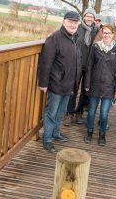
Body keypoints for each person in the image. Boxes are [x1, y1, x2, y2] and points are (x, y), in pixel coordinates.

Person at [38, 11, 81, 152]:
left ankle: (56, 133)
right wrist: (43, 83)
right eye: (70, 21)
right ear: (64, 22)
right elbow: (45, 63)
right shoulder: (54, 38)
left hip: (69, 85)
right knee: (51, 112)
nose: (73, 24)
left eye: (75, 22)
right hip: (56, 83)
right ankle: (47, 139)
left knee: (61, 112)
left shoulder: (75, 39)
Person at [84, 24, 116, 146]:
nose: (106, 35)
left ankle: (102, 135)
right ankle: (89, 132)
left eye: (109, 33)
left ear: (113, 35)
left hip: (109, 86)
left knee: (104, 113)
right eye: (104, 33)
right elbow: (89, 66)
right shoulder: (95, 47)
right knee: (91, 111)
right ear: (102, 34)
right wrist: (87, 83)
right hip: (95, 84)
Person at [64, 7, 99, 126]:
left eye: (91, 16)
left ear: (94, 19)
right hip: (76, 64)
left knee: (85, 91)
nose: (89, 18)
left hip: (90, 66)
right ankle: (69, 114)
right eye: (87, 16)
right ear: (83, 17)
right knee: (73, 89)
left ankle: (79, 113)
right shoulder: (77, 28)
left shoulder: (97, 31)